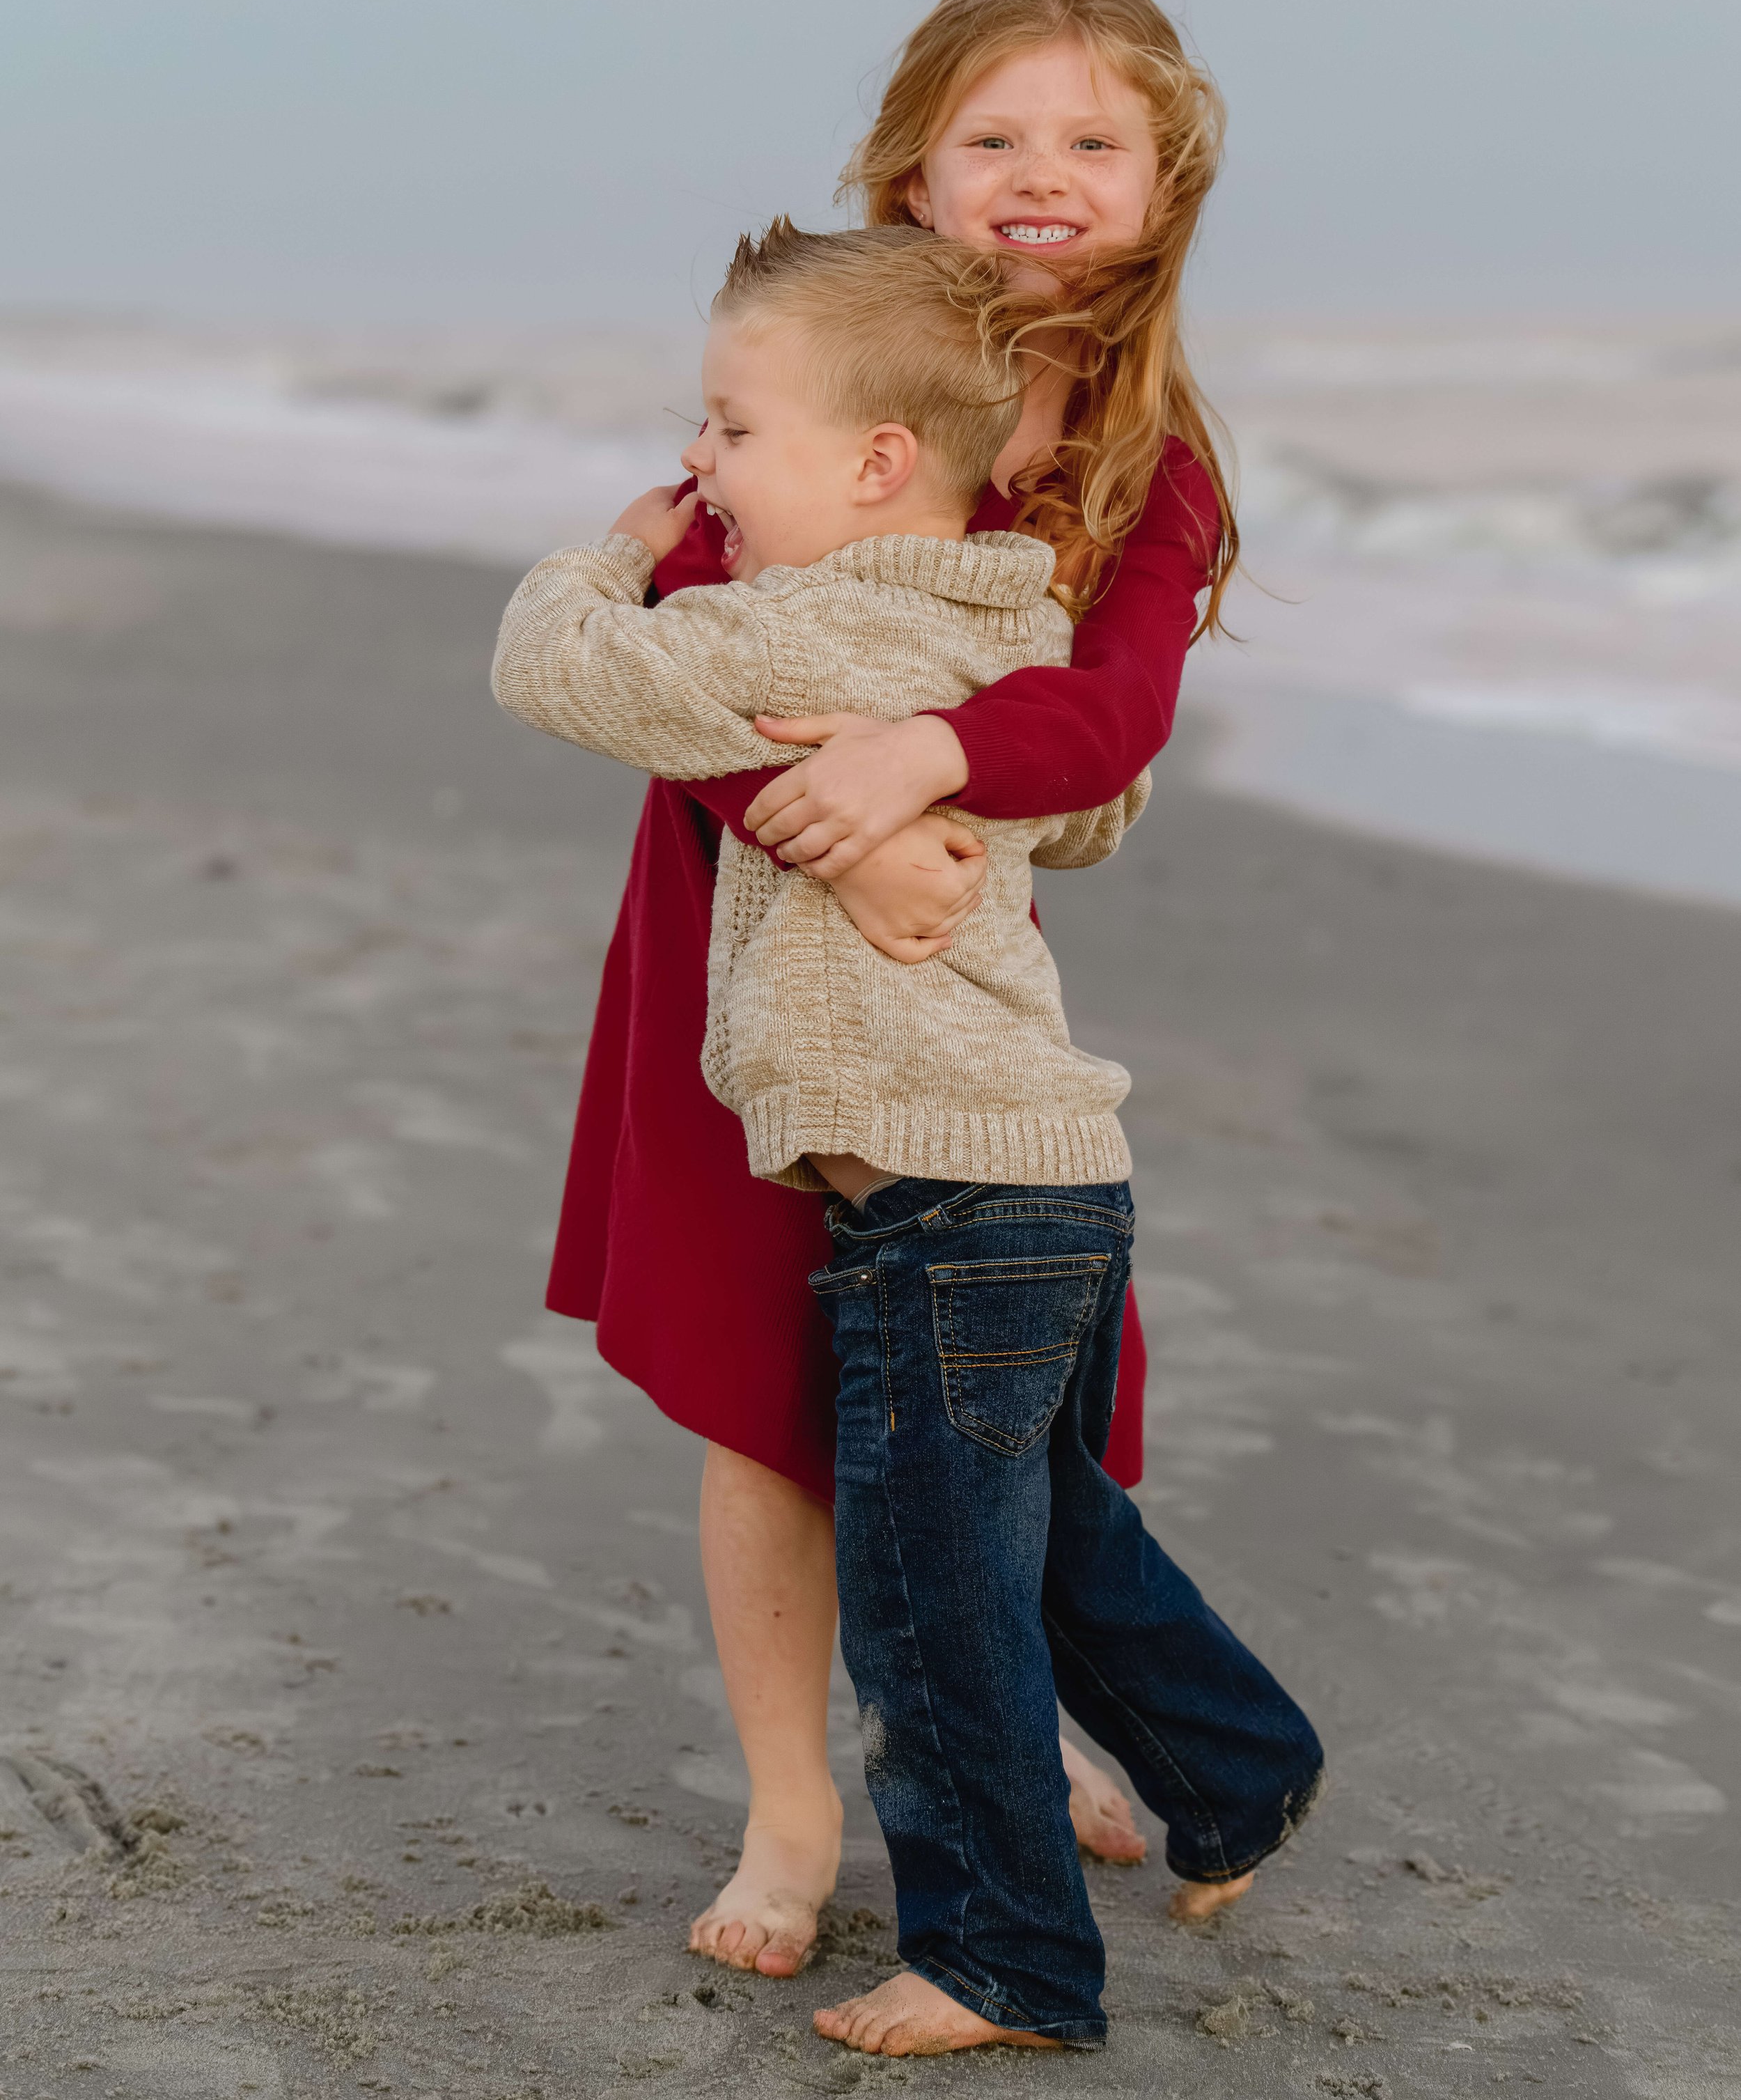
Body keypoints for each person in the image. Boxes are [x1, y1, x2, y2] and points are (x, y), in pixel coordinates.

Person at [494, 221, 1322, 2058]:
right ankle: (1239, 1763)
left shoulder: (759, 619)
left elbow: (553, 670)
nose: (703, 469)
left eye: (724, 434)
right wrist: (936, 761)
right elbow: (1097, 795)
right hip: (1052, 1167)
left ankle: (1008, 1961)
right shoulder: (1008, 613)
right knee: (1053, 1538)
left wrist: (619, 548)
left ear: (874, 458)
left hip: (931, 1198)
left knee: (929, 1599)